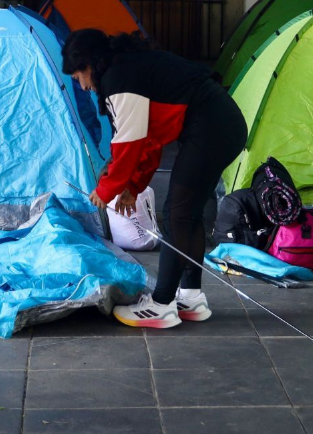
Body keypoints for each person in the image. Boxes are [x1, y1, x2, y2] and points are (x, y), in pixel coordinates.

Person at [62, 30, 247, 329]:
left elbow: (128, 143)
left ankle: (161, 305)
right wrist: (132, 187)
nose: (82, 86)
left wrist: (106, 188)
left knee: (176, 215)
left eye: (78, 76)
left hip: (210, 127)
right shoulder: (126, 69)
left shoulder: (118, 78)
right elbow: (148, 141)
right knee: (188, 214)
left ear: (89, 64)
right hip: (221, 125)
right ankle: (191, 297)